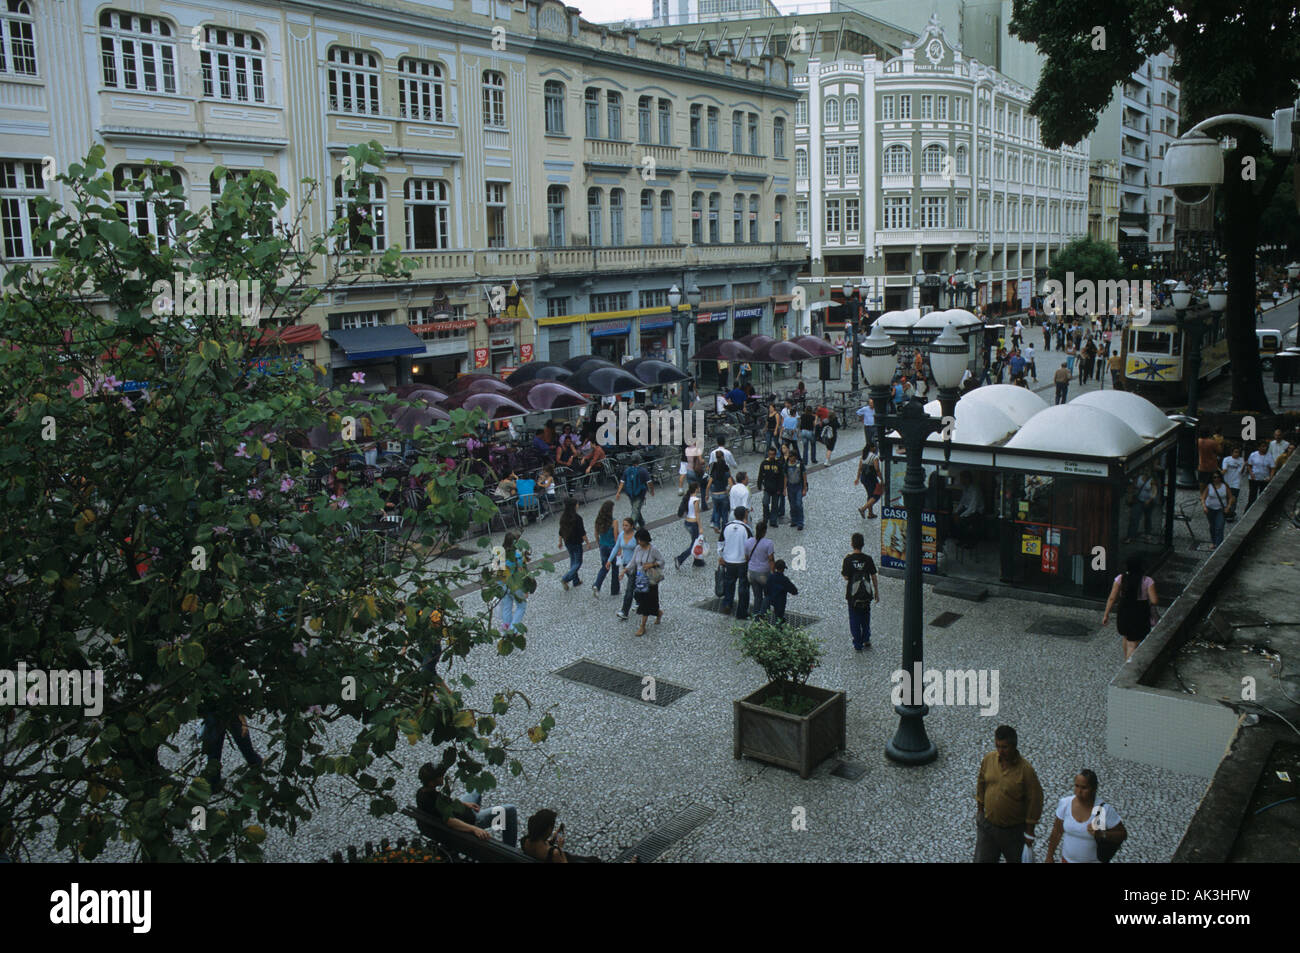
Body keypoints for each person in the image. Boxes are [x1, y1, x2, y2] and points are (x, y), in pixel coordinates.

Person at [974, 725, 1044, 864]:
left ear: (1014, 746)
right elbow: (981, 782)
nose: (1000, 751)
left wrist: (1030, 831)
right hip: (988, 827)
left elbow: (1035, 800)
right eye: (997, 746)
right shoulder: (989, 759)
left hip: (1013, 832)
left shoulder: (1026, 770)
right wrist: (980, 810)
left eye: (1004, 747)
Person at [416, 761, 519, 848]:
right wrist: (474, 828)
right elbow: (450, 821)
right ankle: (510, 849)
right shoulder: (432, 800)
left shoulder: (422, 792)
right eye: (440, 775)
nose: (443, 776)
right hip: (471, 821)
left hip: (460, 811)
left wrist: (464, 804)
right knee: (510, 811)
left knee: (476, 789)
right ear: (432, 782)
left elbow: (446, 805)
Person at [1046, 770, 1127, 864]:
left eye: (1084, 788)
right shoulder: (1066, 804)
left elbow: (1122, 834)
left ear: (1093, 789)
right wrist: (1049, 856)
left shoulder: (1103, 809)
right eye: (1076, 786)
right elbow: (1057, 831)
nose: (1079, 791)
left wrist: (1102, 834)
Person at [1102, 554, 1158, 661]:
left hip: (1124, 610)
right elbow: (1155, 600)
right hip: (1140, 612)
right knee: (1133, 643)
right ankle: (1129, 665)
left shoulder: (1120, 579)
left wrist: (1106, 614)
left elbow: (1112, 598)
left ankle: (1126, 660)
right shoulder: (1147, 581)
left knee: (1126, 637)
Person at [841, 532, 879, 652]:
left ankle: (857, 643)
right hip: (866, 593)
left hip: (853, 595)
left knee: (854, 618)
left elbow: (846, 577)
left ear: (852, 544)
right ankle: (866, 638)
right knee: (865, 616)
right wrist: (876, 591)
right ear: (863, 544)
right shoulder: (868, 559)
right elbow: (873, 576)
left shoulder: (848, 559)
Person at [625, 528, 665, 636]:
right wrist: (625, 569)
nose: (639, 542)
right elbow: (633, 561)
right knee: (643, 600)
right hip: (640, 579)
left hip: (650, 580)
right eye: (637, 540)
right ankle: (658, 613)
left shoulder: (653, 550)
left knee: (646, 603)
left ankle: (642, 626)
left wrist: (652, 564)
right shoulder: (638, 548)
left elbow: (662, 561)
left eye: (640, 540)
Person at [719, 506, 754, 618]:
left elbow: (720, 543)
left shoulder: (726, 527)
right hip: (742, 562)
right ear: (744, 515)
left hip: (728, 561)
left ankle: (727, 604)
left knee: (729, 584)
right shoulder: (747, 529)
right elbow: (750, 547)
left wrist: (721, 556)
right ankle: (742, 611)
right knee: (743, 587)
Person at [497, 531, 530, 633]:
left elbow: (496, 572)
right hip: (515, 585)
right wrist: (526, 588)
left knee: (507, 607)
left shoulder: (498, 554)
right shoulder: (517, 555)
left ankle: (506, 627)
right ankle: (513, 629)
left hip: (503, 585)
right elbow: (521, 572)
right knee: (521, 606)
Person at [746, 519, 775, 617]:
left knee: (757, 596)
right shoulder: (768, 543)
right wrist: (773, 572)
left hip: (751, 573)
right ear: (765, 531)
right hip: (763, 573)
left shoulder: (749, 541)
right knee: (768, 594)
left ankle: (756, 615)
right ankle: (764, 614)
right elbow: (771, 559)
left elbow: (747, 557)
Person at [611, 518, 639, 621]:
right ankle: (640, 602)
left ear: (632, 526)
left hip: (634, 565)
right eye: (623, 525)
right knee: (635, 585)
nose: (624, 527)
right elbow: (616, 547)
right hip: (625, 564)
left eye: (626, 525)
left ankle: (624, 611)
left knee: (630, 588)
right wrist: (609, 560)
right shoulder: (621, 535)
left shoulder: (636, 536)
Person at [557, 499, 587, 591]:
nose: (578, 505)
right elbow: (582, 532)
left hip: (568, 542)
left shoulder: (563, 517)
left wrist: (560, 542)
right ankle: (566, 578)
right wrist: (588, 542)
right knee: (578, 562)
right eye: (577, 504)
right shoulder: (577, 518)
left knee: (573, 561)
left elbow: (561, 531)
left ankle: (576, 580)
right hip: (577, 542)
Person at [615, 460, 654, 530]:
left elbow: (622, 482)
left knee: (635, 508)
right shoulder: (643, 471)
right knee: (635, 510)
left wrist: (618, 492)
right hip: (640, 493)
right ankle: (630, 527)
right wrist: (652, 491)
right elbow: (649, 482)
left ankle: (642, 523)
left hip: (630, 493)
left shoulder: (627, 470)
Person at [591, 501, 619, 598]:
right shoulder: (614, 522)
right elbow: (616, 537)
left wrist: (599, 544)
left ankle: (597, 585)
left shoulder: (598, 521)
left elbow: (596, 535)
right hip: (612, 547)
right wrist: (618, 549)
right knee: (615, 568)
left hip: (603, 546)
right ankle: (615, 590)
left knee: (604, 567)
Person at [675, 483, 705, 569]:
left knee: (695, 542)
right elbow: (697, 514)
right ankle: (680, 559)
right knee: (694, 545)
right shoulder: (696, 500)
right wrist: (700, 527)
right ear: (696, 489)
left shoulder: (687, 498)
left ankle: (698, 561)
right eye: (698, 487)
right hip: (693, 523)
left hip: (687, 522)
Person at [1201, 470, 1232, 547]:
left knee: (1220, 526)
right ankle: (1214, 541)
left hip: (1220, 509)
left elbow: (1231, 497)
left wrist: (1228, 506)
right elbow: (1203, 498)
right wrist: (1204, 506)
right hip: (1210, 509)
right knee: (1212, 526)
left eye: (1218, 477)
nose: (1216, 479)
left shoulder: (1225, 486)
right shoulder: (1209, 486)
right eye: (1214, 477)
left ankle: (1219, 545)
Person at [1124, 470, 1157, 541]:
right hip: (1138, 500)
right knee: (1134, 517)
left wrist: (1150, 499)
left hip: (1148, 502)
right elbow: (1132, 487)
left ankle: (1148, 533)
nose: (1146, 473)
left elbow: (1154, 491)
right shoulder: (1138, 478)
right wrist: (1130, 495)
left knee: (1148, 517)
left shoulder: (1152, 480)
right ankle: (1130, 536)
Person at [757, 446, 786, 527]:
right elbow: (760, 475)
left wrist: (781, 489)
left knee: (775, 505)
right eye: (770, 454)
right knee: (765, 503)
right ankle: (765, 518)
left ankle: (773, 521)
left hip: (776, 489)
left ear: (775, 454)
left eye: (773, 454)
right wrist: (759, 484)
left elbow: (781, 477)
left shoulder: (778, 464)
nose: (771, 456)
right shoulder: (764, 463)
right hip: (767, 488)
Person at [782, 443, 808, 531]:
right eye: (790, 456)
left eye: (792, 456)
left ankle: (800, 522)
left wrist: (804, 488)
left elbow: (804, 476)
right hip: (790, 487)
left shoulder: (800, 464)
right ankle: (794, 520)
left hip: (798, 486)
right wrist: (784, 489)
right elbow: (785, 477)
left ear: (795, 457)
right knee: (792, 505)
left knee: (799, 504)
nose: (790, 458)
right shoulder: (786, 465)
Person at [707, 447, 733, 534]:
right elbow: (731, 484)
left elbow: (709, 485)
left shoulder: (714, 472)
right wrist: (728, 491)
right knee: (725, 512)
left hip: (715, 494)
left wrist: (707, 494)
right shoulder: (725, 473)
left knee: (717, 510)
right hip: (723, 494)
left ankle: (716, 525)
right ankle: (725, 528)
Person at [953, 470, 983, 544]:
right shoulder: (965, 488)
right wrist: (955, 512)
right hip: (966, 509)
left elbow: (973, 507)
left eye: (962, 478)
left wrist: (961, 516)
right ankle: (958, 539)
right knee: (953, 519)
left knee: (962, 522)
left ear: (967, 479)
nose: (961, 480)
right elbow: (962, 502)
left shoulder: (975, 489)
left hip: (976, 512)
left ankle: (968, 541)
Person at [1245, 441, 1275, 510]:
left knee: (1262, 497)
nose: (1264, 448)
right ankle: (1248, 511)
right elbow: (1249, 465)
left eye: (1265, 447)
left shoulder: (1269, 456)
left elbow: (1272, 468)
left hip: (1264, 479)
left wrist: (1270, 477)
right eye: (1263, 446)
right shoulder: (1253, 455)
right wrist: (1251, 473)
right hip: (1254, 478)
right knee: (1252, 497)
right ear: (1259, 447)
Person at [855, 443, 882, 519]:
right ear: (872, 448)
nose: (875, 449)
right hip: (871, 478)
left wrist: (857, 478)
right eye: (874, 447)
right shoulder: (874, 457)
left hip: (864, 478)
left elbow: (860, 468)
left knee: (870, 495)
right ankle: (863, 509)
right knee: (876, 495)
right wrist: (882, 478)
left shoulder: (863, 456)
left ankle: (870, 513)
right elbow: (877, 469)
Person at [1221, 445, 1246, 519]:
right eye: (1235, 452)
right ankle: (1225, 512)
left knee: (1234, 499)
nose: (1237, 454)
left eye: (1238, 452)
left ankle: (1231, 513)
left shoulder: (1241, 460)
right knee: (1225, 498)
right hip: (1227, 482)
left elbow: (1241, 472)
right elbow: (1224, 470)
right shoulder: (1226, 459)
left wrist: (1244, 465)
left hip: (1236, 483)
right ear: (1231, 452)